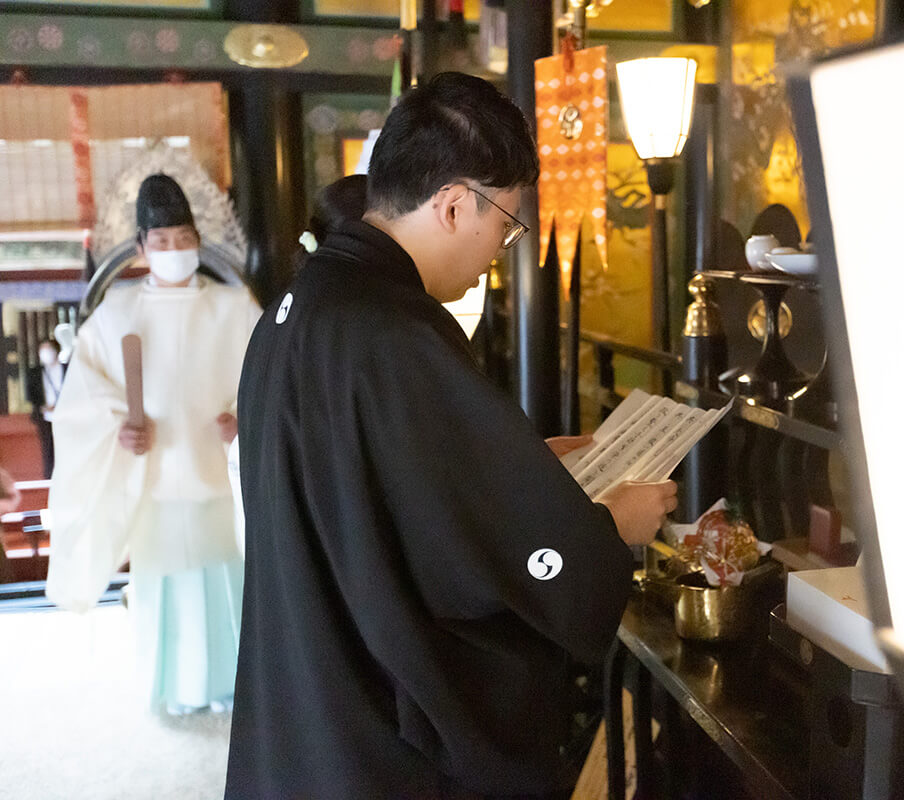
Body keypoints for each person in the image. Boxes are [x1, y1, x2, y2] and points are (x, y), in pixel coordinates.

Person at [225, 72, 676, 800]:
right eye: (507, 222)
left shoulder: (305, 302)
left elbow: (385, 489)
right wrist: (604, 529)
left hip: (308, 692)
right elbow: (463, 565)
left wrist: (516, 470)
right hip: (372, 726)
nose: (505, 245)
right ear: (454, 203)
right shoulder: (395, 331)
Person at [46, 173, 261, 715]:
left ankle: (236, 685)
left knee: (226, 578)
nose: (173, 251)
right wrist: (119, 428)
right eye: (161, 243)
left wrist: (244, 419)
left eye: (183, 239)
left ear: (198, 240)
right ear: (141, 247)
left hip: (217, 471)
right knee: (164, 588)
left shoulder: (235, 307)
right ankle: (175, 688)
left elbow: (271, 377)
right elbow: (84, 399)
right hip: (155, 478)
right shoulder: (116, 313)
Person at [27, 338, 65, 478]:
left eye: (48, 348)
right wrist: (42, 407)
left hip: (66, 415)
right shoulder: (35, 372)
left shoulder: (67, 369)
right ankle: (50, 477)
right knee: (48, 448)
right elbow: (31, 394)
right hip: (45, 416)